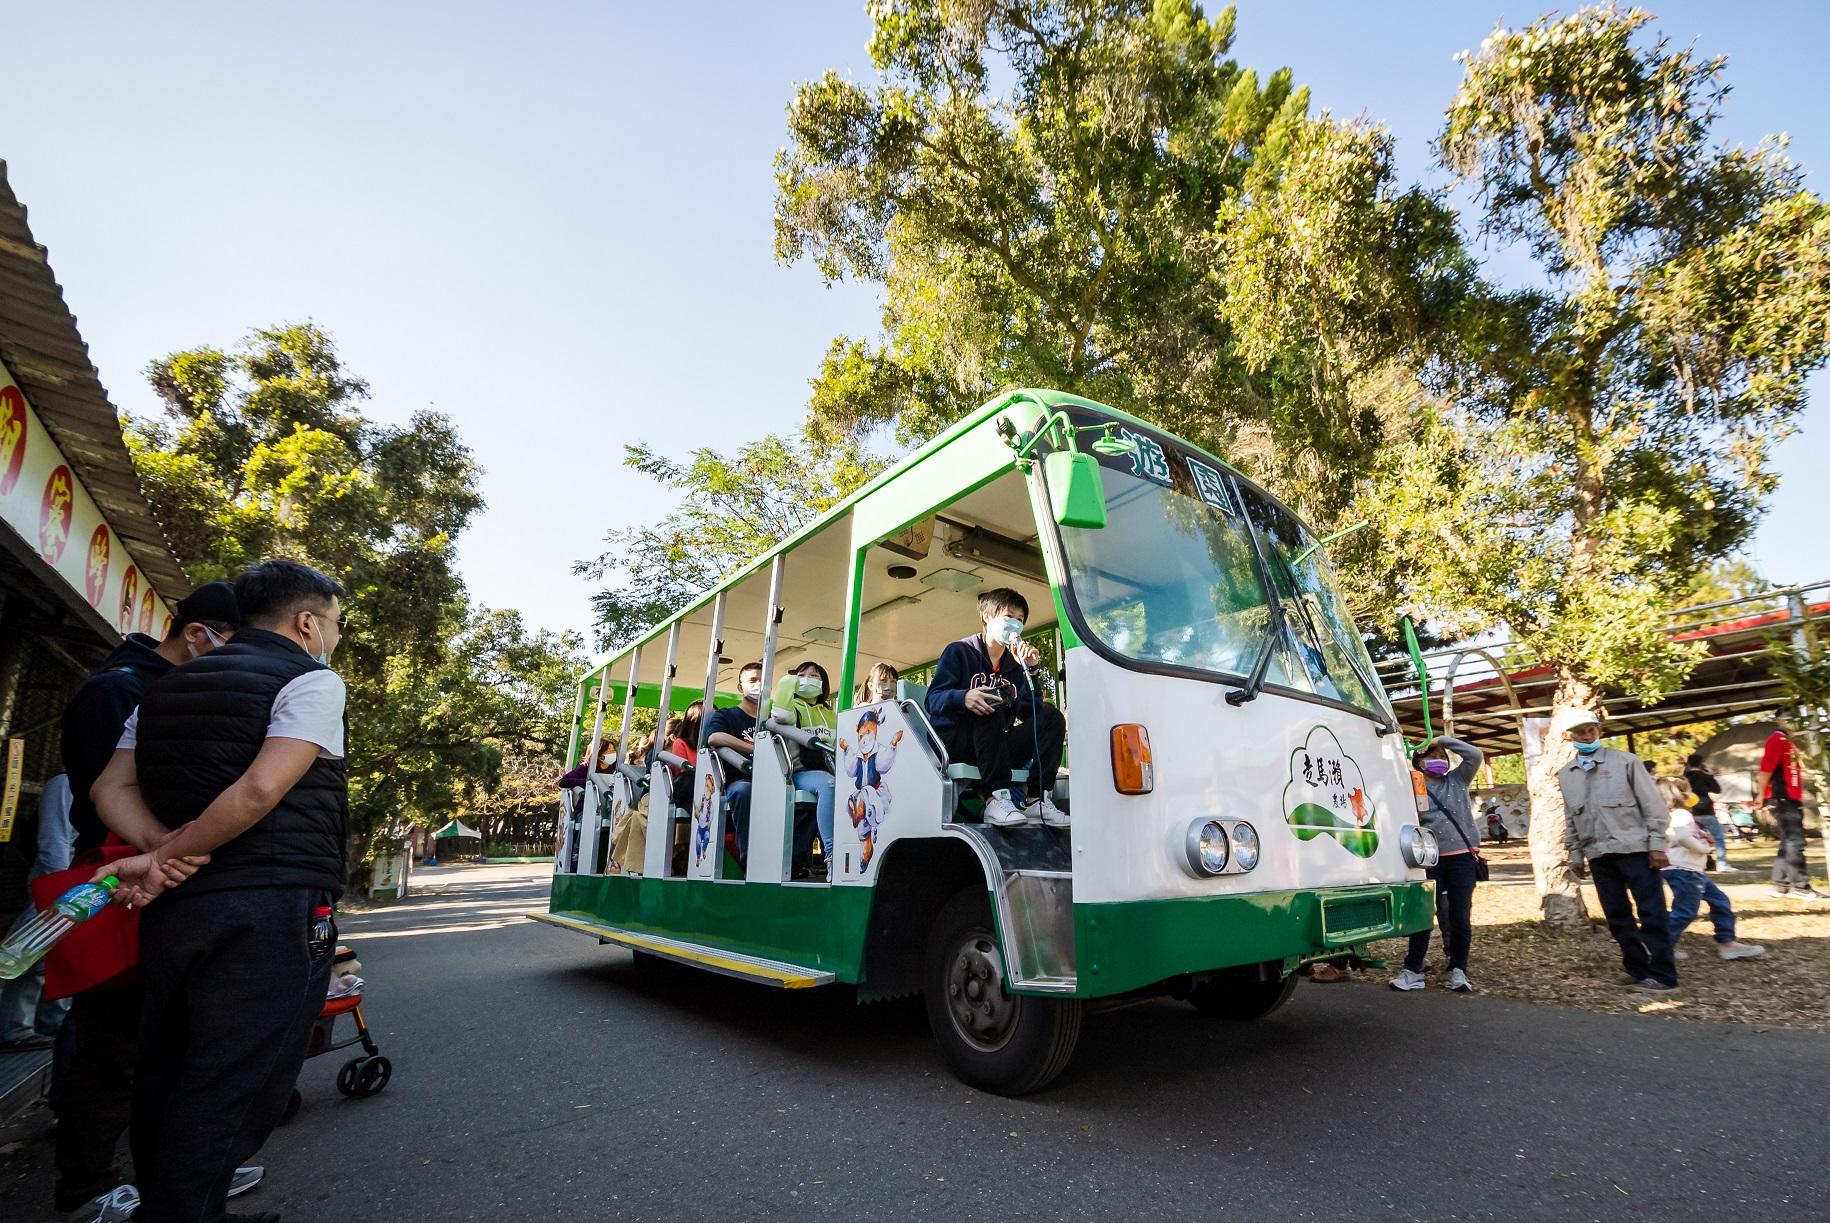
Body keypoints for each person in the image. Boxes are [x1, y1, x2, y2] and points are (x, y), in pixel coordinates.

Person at [92, 558, 351, 1223]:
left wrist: (157, 854)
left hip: (180, 909)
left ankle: (180, 1205)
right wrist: (170, 854)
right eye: (334, 624)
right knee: (240, 1076)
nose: (335, 636)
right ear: (305, 622)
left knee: (171, 1065)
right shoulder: (312, 680)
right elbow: (262, 788)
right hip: (274, 904)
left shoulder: (165, 688)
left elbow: (108, 789)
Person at [49, 582, 252, 1223]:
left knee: (174, 1040)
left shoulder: (172, 688)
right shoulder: (120, 692)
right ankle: (86, 1190)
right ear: (198, 634)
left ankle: (173, 1172)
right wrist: (167, 847)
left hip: (173, 875)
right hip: (123, 878)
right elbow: (109, 794)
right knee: (109, 1043)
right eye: (233, 646)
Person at [1557, 709, 1679, 994]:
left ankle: (1663, 974)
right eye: (1580, 731)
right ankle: (1636, 969)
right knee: (1617, 915)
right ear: (1568, 736)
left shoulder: (1626, 761)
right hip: (1598, 854)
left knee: (1652, 912)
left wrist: (1656, 845)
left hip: (1636, 849)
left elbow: (1653, 806)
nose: (1587, 735)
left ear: (1598, 730)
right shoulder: (1566, 774)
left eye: (1591, 729)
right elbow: (1570, 817)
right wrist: (1575, 854)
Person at [925, 589, 1067, 828]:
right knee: (992, 701)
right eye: (1009, 616)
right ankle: (995, 798)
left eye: (1020, 620)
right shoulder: (960, 651)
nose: (1015, 624)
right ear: (987, 617)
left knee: (1051, 718)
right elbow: (933, 699)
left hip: (994, 747)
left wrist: (1031, 670)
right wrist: (963, 697)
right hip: (956, 744)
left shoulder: (1014, 666)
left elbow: (1029, 713)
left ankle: (1036, 800)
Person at [1390, 735, 1484, 994]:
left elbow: (1475, 755)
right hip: (1427, 859)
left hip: (1462, 858)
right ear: (1418, 762)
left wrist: (1441, 739)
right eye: (1431, 756)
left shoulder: (1457, 779)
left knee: (1459, 916)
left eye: (1442, 756)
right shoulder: (1412, 786)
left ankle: (1457, 969)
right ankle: (1413, 969)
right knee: (1421, 916)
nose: (1438, 761)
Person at [0, 773, 75, 1051]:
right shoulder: (65, 784)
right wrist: (60, 886)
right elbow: (53, 841)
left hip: (80, 881)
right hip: (59, 882)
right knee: (28, 952)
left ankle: (52, 1020)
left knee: (66, 955)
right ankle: (15, 1027)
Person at [1656, 777, 1764, 963]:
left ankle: (1727, 943)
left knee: (1719, 901)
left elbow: (1679, 836)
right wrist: (1704, 848)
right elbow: (1682, 837)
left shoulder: (1669, 816)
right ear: (1681, 795)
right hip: (1686, 869)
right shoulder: (1681, 815)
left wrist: (1702, 837)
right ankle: (1659, 948)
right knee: (1685, 911)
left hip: (1688, 869)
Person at [772, 661, 837, 877]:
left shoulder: (830, 715)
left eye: (815, 675)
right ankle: (832, 855)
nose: (808, 678)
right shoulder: (793, 709)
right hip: (798, 774)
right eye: (802, 675)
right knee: (829, 785)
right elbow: (780, 715)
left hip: (828, 770)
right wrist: (789, 679)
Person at [1758, 715, 1825, 901]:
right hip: (1783, 797)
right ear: (1778, 720)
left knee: (1787, 842)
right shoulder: (1777, 739)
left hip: (1791, 797)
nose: (1793, 721)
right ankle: (1800, 886)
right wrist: (1761, 795)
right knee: (1796, 841)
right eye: (1787, 718)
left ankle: (1780, 884)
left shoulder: (1789, 742)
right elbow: (1766, 769)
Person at [705, 662, 764, 861]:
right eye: (753, 680)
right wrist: (753, 748)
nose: (758, 684)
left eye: (762, 680)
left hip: (772, 778)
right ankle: (750, 858)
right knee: (743, 792)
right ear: (740, 687)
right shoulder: (726, 715)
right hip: (740, 779)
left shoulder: (770, 719)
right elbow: (714, 738)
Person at [1682, 753, 1729, 870]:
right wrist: (1711, 776)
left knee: (1697, 838)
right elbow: (1717, 790)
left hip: (1690, 810)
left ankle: (1702, 862)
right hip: (1706, 810)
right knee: (1718, 837)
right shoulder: (1705, 776)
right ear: (1701, 763)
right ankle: (1721, 863)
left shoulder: (1684, 778)